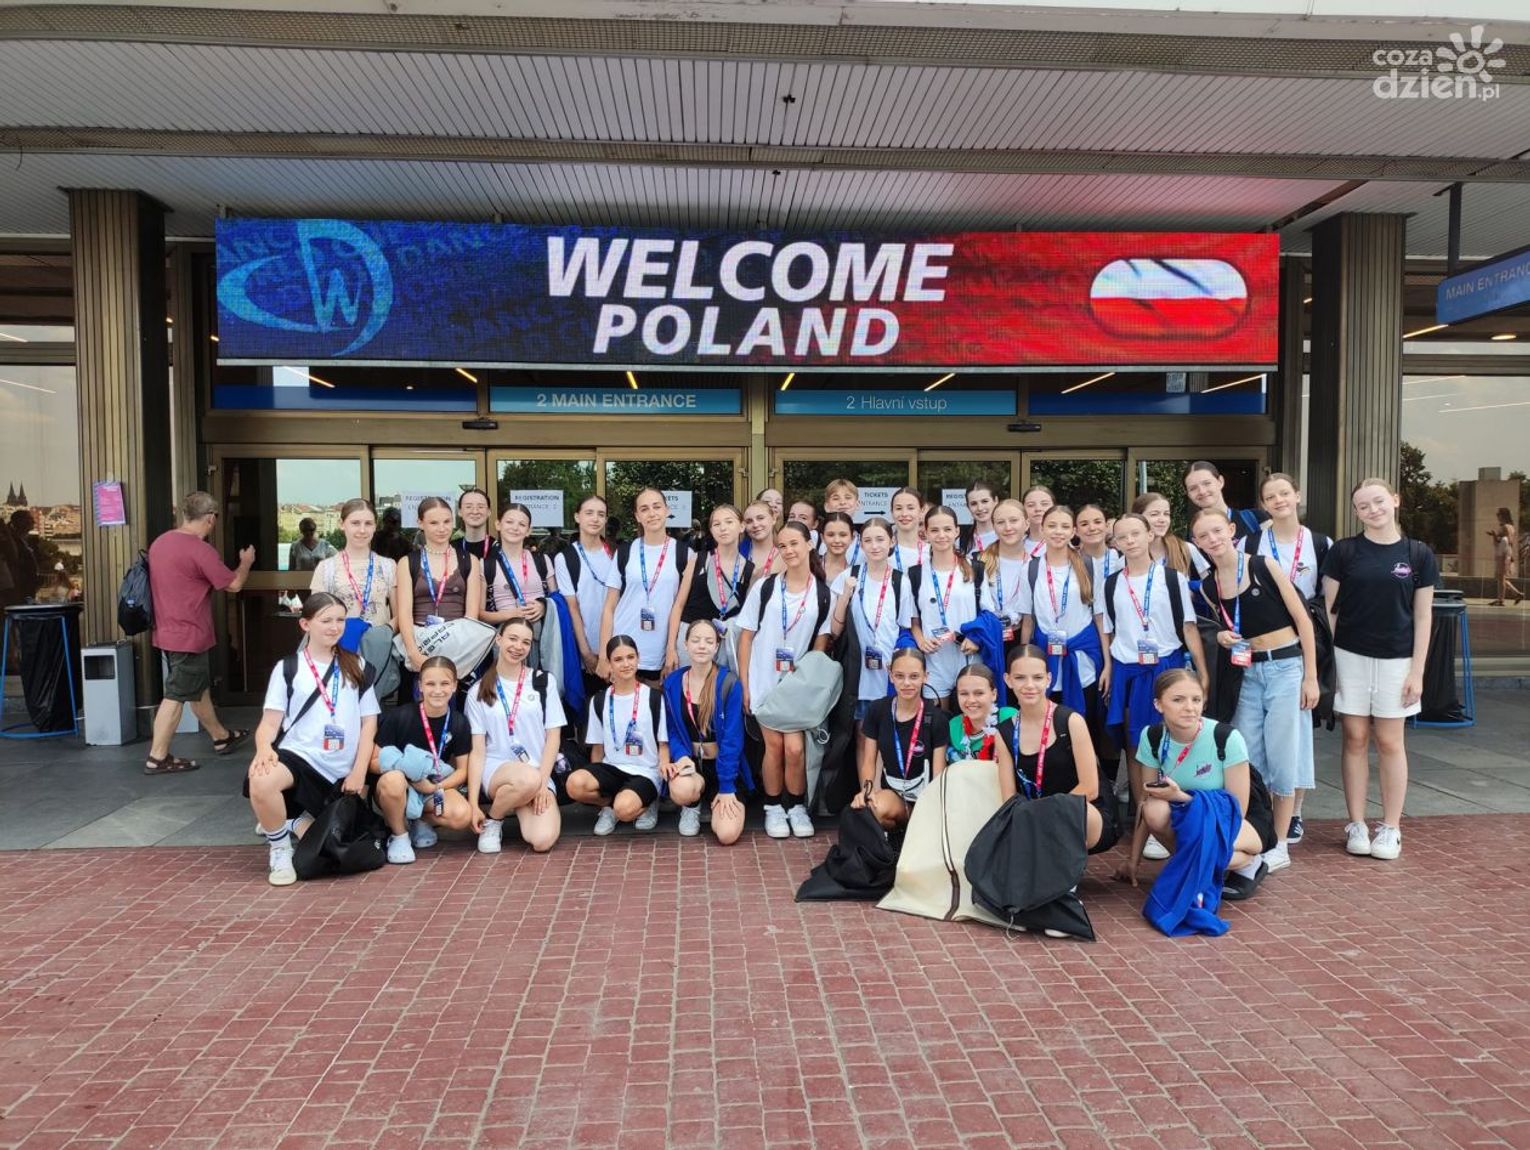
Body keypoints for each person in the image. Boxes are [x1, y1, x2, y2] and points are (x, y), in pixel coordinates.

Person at [1191, 508, 1318, 875]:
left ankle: (1281, 842)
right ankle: (1257, 836)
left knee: (1283, 755)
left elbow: (1303, 620)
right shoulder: (1209, 586)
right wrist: (1221, 636)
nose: (1213, 540)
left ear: (1231, 530)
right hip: (1247, 672)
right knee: (1246, 755)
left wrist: (1310, 676)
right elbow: (1221, 627)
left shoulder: (1263, 565)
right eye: (1204, 536)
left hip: (1286, 667)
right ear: (1197, 543)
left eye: (1217, 531)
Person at [1322, 478, 1438, 861]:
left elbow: (1423, 616)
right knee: (1354, 737)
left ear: (1395, 500)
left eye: (1378, 501)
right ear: (1356, 512)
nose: (1373, 510)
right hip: (1350, 657)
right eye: (1363, 506)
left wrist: (1417, 671)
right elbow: (1330, 613)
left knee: (1390, 741)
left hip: (1398, 660)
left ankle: (1391, 827)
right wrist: (1332, 665)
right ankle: (1356, 823)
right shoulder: (1344, 552)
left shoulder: (1418, 554)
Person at [245, 593, 381, 886]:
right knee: (261, 780)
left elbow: (369, 722)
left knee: (332, 848)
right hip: (300, 757)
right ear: (305, 624)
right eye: (326, 620)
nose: (334, 627)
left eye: (340, 620)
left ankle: (292, 821)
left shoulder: (358, 665)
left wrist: (359, 771)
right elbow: (270, 722)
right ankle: (280, 849)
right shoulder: (288, 668)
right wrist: (263, 748)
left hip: (341, 770)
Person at [1098, 512, 1207, 860]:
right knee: (1136, 745)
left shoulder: (1172, 579)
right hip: (1128, 669)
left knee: (1172, 740)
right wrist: (1108, 666)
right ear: (1115, 543)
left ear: (1149, 535)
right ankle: (1145, 817)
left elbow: (1188, 627)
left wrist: (1202, 674)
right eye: (1122, 536)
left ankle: (1172, 816)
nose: (1129, 541)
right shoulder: (1111, 583)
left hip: (1165, 666)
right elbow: (1108, 629)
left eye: (1135, 533)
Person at [1115, 669, 1267, 893]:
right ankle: (1197, 861)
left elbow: (1236, 810)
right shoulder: (1152, 736)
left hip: (1235, 819)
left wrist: (1180, 797)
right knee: (1154, 809)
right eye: (1178, 700)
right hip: (1190, 817)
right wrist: (1133, 860)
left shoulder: (1226, 737)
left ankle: (1250, 863)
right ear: (1158, 704)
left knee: (1205, 849)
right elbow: (1146, 802)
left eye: (1196, 699)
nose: (1189, 707)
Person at [144, 490, 255, 775]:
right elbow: (233, 585)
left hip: (167, 630)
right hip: (189, 634)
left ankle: (221, 737)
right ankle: (157, 757)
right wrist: (246, 562)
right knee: (176, 694)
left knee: (197, 688)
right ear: (211, 518)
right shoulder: (199, 550)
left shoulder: (160, 543)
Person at [1248, 473, 1332, 843]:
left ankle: (1294, 812)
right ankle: (1264, 808)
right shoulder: (1251, 542)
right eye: (1271, 496)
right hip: (1265, 644)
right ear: (1263, 504)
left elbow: (1329, 599)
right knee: (1261, 738)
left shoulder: (1320, 543)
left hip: (1303, 643)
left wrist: (1316, 667)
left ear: (1297, 495)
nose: (1279, 500)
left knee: (1297, 733)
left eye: (1284, 493)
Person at [737, 521, 833, 839]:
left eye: (795, 543)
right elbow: (746, 637)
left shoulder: (823, 594)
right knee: (774, 746)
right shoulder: (765, 588)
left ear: (809, 544)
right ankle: (773, 806)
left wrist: (808, 687)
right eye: (783, 546)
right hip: (763, 679)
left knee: (794, 749)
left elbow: (820, 646)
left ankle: (796, 806)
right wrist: (745, 684)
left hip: (796, 686)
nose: (789, 550)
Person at [466, 618, 565, 854]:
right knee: (527, 779)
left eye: (526, 642)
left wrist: (542, 784)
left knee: (542, 840)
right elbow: (477, 751)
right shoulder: (478, 690)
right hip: (497, 768)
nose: (518, 646)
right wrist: (473, 803)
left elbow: (553, 738)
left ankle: (516, 799)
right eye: (512, 638)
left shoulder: (543, 682)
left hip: (537, 771)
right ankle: (494, 820)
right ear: (499, 640)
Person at [994, 646, 1104, 849]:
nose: (1029, 685)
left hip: (1076, 810)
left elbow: (1090, 788)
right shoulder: (1004, 731)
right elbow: (1008, 796)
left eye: (1037, 677)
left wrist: (1046, 813)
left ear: (1049, 679)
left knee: (1084, 814)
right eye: (1020, 678)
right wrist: (1032, 816)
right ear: (1008, 680)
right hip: (1032, 814)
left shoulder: (1071, 721)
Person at [370, 655, 473, 864]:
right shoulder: (399, 716)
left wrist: (435, 787)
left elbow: (463, 771)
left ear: (454, 686)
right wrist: (404, 770)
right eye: (430, 684)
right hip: (397, 787)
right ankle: (399, 835)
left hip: (431, 787)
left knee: (462, 815)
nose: (437, 690)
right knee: (394, 781)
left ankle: (417, 820)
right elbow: (372, 761)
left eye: (445, 683)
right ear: (420, 686)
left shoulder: (458, 722)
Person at [571, 635, 668, 834]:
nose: (626, 664)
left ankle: (647, 803)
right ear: (609, 663)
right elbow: (598, 748)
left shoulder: (654, 698)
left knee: (624, 810)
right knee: (575, 784)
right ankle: (608, 807)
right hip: (612, 768)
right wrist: (596, 774)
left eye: (630, 657)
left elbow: (663, 743)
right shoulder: (599, 701)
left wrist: (662, 775)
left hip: (645, 772)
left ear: (638, 658)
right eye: (618, 659)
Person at [829, 516, 914, 743]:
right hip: (858, 671)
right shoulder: (849, 576)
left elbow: (904, 628)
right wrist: (845, 595)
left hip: (888, 670)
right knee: (862, 734)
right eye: (868, 540)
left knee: (887, 734)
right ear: (861, 544)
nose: (874, 546)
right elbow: (835, 630)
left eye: (880, 539)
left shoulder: (900, 581)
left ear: (892, 541)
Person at [663, 619, 749, 843]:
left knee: (727, 835)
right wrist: (680, 756)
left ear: (716, 646)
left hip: (723, 766)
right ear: (685, 644)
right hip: (691, 765)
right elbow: (671, 729)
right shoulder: (673, 682)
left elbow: (732, 739)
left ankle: (716, 802)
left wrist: (727, 786)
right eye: (696, 640)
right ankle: (692, 806)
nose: (702, 646)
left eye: (709, 641)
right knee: (681, 790)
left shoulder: (729, 682)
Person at [599, 487, 688, 684]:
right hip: (624, 646)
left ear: (667, 510)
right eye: (644, 509)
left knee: (658, 702)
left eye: (657, 507)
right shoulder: (625, 552)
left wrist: (672, 648)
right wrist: (604, 656)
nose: (652, 513)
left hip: (661, 651)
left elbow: (680, 606)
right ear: (637, 516)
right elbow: (609, 607)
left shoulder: (684, 553)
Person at [854, 648, 949, 829]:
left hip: (925, 799)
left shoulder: (937, 718)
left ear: (925, 677)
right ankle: (894, 834)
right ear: (890, 676)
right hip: (893, 794)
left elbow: (938, 775)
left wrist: (934, 811)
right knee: (869, 809)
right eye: (899, 676)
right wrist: (866, 791)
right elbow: (869, 761)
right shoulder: (877, 710)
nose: (906, 683)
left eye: (914, 676)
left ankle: (913, 830)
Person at [394, 495, 485, 675]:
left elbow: (471, 616)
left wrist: (459, 649)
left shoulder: (469, 560)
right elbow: (404, 613)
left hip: (458, 645)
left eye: (447, 522)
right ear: (420, 523)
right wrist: (414, 653)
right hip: (419, 643)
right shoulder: (407, 562)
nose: (442, 529)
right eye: (434, 523)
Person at [908, 505, 982, 707]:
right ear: (925, 533)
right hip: (935, 660)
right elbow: (913, 619)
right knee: (937, 720)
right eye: (934, 530)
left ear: (957, 531)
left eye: (947, 529)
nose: (941, 535)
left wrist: (976, 638)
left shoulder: (975, 569)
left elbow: (987, 614)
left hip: (969, 656)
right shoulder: (915, 574)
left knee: (972, 717)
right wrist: (921, 640)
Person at [552, 494, 615, 698]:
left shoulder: (616, 553)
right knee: (591, 707)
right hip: (587, 647)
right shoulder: (566, 558)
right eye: (589, 513)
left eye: (601, 514)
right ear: (577, 517)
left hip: (619, 645)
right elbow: (573, 608)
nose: (595, 519)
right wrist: (586, 653)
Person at [482, 503, 556, 665]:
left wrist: (543, 606)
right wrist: (512, 614)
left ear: (529, 530)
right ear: (498, 524)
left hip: (541, 637)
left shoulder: (542, 561)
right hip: (506, 639)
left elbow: (558, 601)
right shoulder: (486, 565)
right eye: (509, 522)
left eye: (522, 524)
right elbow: (479, 615)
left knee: (540, 678)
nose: (515, 528)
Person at [309, 498, 397, 631]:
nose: (362, 530)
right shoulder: (326, 568)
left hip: (378, 642)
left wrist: (384, 633)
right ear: (342, 524)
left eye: (368, 523)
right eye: (355, 523)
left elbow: (400, 615)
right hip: (339, 641)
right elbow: (317, 616)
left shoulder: (388, 566)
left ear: (375, 526)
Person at [679, 504, 754, 640]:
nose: (723, 528)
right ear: (711, 530)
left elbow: (748, 616)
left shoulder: (749, 569)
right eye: (716, 524)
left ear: (742, 526)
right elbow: (679, 605)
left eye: (729, 522)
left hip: (726, 639)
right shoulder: (698, 559)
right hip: (691, 638)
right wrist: (671, 646)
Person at [978, 498, 1030, 648]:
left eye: (1014, 520)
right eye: (1000, 522)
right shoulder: (979, 563)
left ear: (1026, 524)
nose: (1008, 527)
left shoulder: (1035, 565)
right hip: (985, 639)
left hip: (1023, 638)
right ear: (994, 527)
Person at [947, 663, 1014, 761]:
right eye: (964, 693)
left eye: (979, 693)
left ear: (993, 694)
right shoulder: (953, 726)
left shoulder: (1009, 717)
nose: (971, 700)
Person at [1184, 461, 1267, 542]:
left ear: (1220, 481)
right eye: (1193, 488)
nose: (1202, 491)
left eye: (1207, 483)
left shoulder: (1256, 518)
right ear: (1188, 494)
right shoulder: (1195, 534)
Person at [1131, 492, 1202, 577]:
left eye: (1166, 514)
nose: (1162, 520)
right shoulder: (1127, 556)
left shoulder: (1185, 549)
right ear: (1137, 518)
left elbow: (1207, 581)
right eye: (1154, 514)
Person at [822, 478, 864, 566]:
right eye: (836, 498)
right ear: (826, 506)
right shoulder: (815, 540)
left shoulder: (866, 540)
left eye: (848, 497)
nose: (842, 502)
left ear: (857, 504)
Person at [1489, 507, 1525, 606]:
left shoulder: (1505, 527)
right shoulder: (1511, 526)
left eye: (1499, 514)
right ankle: (1517, 594)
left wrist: (1495, 535)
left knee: (1500, 577)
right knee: (1501, 577)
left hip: (1504, 554)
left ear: (1504, 515)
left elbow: (1507, 541)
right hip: (1506, 554)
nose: (1497, 516)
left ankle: (1501, 600)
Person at [1076, 503, 1118, 585]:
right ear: (1076, 531)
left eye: (1097, 522)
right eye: (1084, 524)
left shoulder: (1120, 559)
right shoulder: (1070, 561)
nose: (1092, 528)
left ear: (1106, 526)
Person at [453, 487, 494, 567]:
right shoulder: (452, 549)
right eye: (468, 507)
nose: (475, 511)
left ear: (489, 512)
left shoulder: (498, 549)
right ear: (460, 512)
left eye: (480, 507)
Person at [889, 487, 926, 572]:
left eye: (910, 508)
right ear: (892, 512)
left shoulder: (933, 552)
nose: (904, 514)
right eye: (898, 508)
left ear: (921, 511)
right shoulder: (882, 551)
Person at [962, 480, 1001, 556]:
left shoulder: (1009, 534)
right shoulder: (961, 541)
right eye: (974, 504)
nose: (979, 508)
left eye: (984, 501)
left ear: (996, 501)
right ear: (968, 506)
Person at [740, 499, 779, 573]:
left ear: (773, 519)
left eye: (760, 518)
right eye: (749, 521)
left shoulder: (786, 553)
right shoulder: (737, 554)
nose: (755, 525)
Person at [819, 511, 855, 585]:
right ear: (822, 538)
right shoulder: (810, 568)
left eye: (843, 535)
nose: (837, 540)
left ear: (852, 538)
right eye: (831, 535)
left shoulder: (856, 573)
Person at [1020, 485, 1055, 560]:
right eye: (1031, 505)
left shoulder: (1064, 545)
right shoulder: (1015, 545)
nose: (1038, 509)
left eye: (1044, 504)